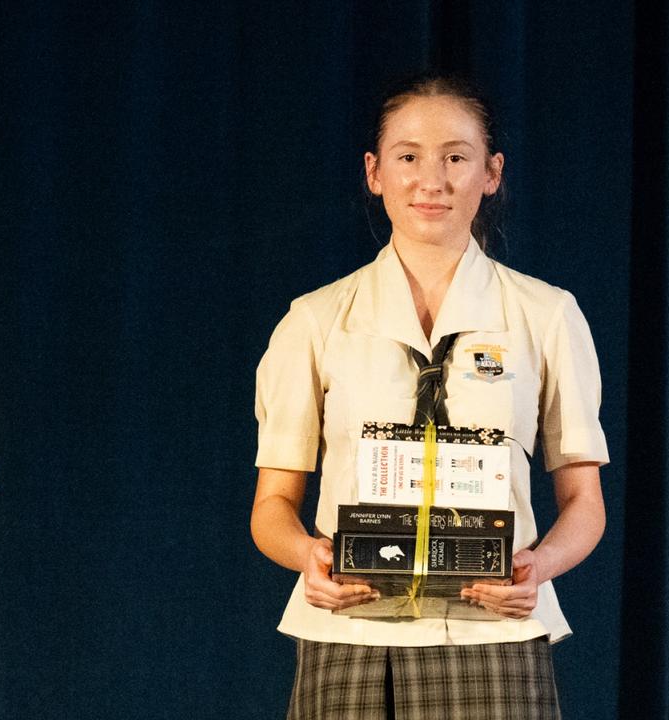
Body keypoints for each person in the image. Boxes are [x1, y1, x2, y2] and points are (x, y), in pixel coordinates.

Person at [250, 76, 607, 720]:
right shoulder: (314, 319)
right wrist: (310, 555)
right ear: (375, 172)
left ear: (491, 173)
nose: (431, 179)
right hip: (350, 634)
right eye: (408, 156)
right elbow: (272, 506)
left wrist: (539, 566)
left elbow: (585, 502)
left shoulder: (547, 315)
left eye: (456, 156)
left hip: (493, 633)